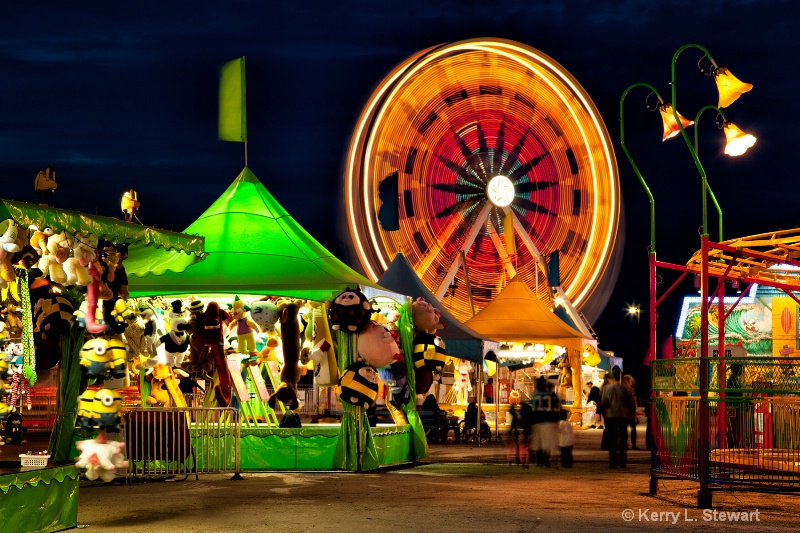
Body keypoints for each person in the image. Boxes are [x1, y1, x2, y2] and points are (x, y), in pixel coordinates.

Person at [601, 366, 635, 468]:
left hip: (611, 416)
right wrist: (630, 412)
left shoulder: (606, 389)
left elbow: (604, 402)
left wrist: (605, 412)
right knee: (623, 439)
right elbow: (630, 402)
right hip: (622, 416)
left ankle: (612, 462)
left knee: (612, 440)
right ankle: (623, 462)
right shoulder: (624, 389)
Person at [531, 376, 560, 467]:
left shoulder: (535, 394)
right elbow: (558, 407)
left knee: (537, 443)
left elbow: (533, 407)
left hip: (536, 420)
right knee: (547, 443)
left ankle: (540, 461)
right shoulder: (553, 395)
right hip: (549, 420)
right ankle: (545, 460)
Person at [622, 374, 640, 450]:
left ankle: (633, 444)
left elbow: (633, 400)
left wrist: (636, 409)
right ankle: (625, 444)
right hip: (625, 412)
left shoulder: (632, 389)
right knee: (625, 429)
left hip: (631, 411)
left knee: (632, 429)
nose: (630, 383)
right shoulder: (622, 389)